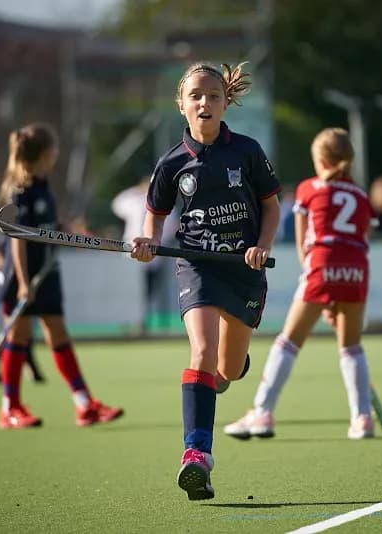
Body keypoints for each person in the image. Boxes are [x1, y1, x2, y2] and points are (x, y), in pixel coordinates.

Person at [130, 62, 280, 501]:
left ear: (225, 102)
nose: (204, 103)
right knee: (202, 350)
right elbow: (155, 214)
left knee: (229, 369)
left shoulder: (248, 151)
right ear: (182, 105)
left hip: (244, 271)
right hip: (196, 267)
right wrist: (149, 241)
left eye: (213, 95)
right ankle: (196, 454)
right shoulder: (171, 162)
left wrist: (263, 246)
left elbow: (271, 206)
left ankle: (230, 370)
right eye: (195, 95)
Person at [224, 127, 378, 442]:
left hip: (322, 264)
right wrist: (336, 298)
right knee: (351, 346)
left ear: (320, 159)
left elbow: (303, 244)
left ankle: (262, 411)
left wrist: (319, 284)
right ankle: (362, 418)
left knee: (288, 341)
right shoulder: (362, 195)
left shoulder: (308, 189)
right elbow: (364, 239)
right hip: (357, 269)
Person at [0, 122, 123, 430]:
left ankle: (84, 405)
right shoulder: (19, 192)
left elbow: (48, 226)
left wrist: (75, 234)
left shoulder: (41, 186)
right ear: (44, 153)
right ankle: (9, 408)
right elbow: (17, 240)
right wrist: (24, 284)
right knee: (19, 338)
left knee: (59, 335)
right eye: (54, 151)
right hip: (22, 277)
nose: (56, 156)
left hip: (47, 272)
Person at [112, 177, 178, 328]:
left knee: (150, 292)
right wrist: (137, 190)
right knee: (133, 292)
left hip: (154, 258)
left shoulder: (165, 202)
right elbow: (117, 203)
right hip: (132, 256)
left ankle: (145, 322)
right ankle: (131, 321)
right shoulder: (136, 201)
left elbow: (169, 228)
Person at [0, 233, 45, 384]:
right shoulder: (5, 234)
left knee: (21, 334)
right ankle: (2, 371)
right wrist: (8, 277)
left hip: (19, 288)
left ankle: (29, 369)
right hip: (11, 289)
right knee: (13, 333)